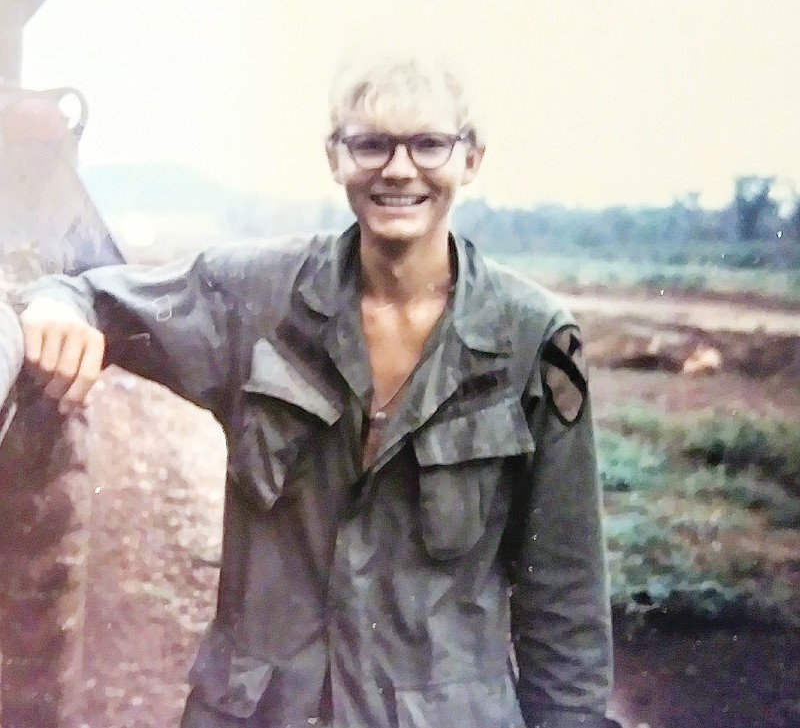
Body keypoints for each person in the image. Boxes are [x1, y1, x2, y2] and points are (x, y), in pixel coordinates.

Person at [16, 56, 621, 728]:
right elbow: (90, 290)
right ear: (336, 157)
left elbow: (564, 596)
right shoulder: (255, 296)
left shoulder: (532, 339)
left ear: (470, 158)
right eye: (371, 143)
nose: (398, 168)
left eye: (428, 144)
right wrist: (57, 306)